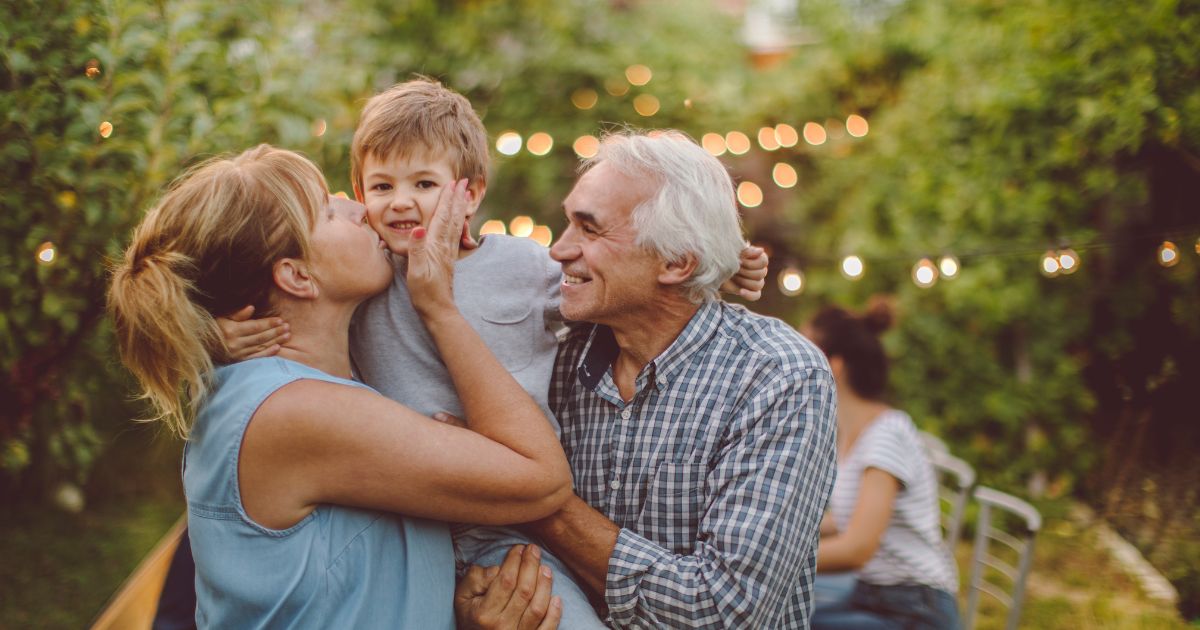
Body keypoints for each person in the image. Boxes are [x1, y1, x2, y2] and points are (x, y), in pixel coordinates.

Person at [215, 79, 769, 629]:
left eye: (424, 183)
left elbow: (615, 280)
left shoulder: (519, 267)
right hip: (413, 509)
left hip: (508, 528)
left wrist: (717, 260)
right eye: (380, 187)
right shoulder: (370, 277)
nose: (400, 201)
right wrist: (216, 336)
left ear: (471, 194)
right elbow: (273, 310)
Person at [108, 144, 573, 629]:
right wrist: (438, 308)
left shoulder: (275, 390)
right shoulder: (293, 411)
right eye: (328, 211)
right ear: (297, 276)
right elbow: (541, 479)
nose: (360, 209)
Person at [456, 130, 839, 628]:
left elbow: (723, 613)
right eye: (568, 222)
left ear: (677, 262)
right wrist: (482, 603)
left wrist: (525, 490)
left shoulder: (778, 376)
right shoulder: (553, 354)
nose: (558, 250)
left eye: (590, 229)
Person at [806, 302, 961, 629]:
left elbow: (857, 549)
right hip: (873, 594)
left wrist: (770, 559)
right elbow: (846, 518)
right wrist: (779, 530)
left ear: (833, 366)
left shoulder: (886, 435)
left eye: (802, 350)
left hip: (914, 609)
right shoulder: (852, 433)